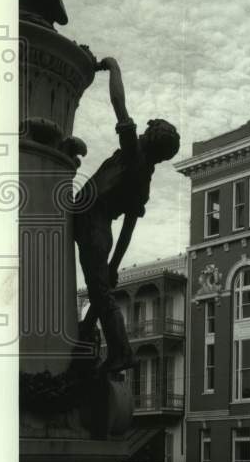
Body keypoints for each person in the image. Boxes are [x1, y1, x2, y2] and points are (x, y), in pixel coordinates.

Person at [74, 56, 180, 373]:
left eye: (149, 131)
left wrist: (114, 66)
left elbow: (119, 104)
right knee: (99, 290)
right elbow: (129, 228)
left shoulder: (134, 154)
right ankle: (102, 343)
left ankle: (121, 352)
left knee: (101, 295)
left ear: (150, 137)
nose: (143, 133)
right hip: (97, 228)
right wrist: (114, 265)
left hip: (90, 219)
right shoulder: (143, 180)